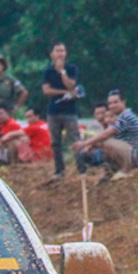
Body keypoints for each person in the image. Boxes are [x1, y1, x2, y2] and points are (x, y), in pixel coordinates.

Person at [73, 90, 138, 181]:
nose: (113, 105)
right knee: (102, 146)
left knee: (104, 141)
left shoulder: (126, 116)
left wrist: (84, 144)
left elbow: (106, 134)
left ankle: (125, 171)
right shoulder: (122, 117)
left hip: (137, 156)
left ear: (123, 102)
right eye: (110, 103)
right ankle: (110, 173)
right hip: (132, 154)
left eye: (116, 102)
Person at [41, 42, 85, 178]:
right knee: (55, 142)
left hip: (69, 111)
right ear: (52, 54)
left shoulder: (71, 68)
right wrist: (65, 92)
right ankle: (59, 170)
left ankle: (82, 168)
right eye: (57, 51)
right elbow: (46, 91)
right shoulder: (47, 71)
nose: (60, 54)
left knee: (74, 138)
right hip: (53, 111)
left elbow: (71, 84)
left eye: (62, 51)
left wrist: (62, 72)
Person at [74, 103, 112, 172]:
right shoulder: (99, 128)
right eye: (97, 114)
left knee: (98, 153)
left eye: (103, 113)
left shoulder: (113, 126)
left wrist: (91, 145)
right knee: (82, 153)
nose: (100, 116)